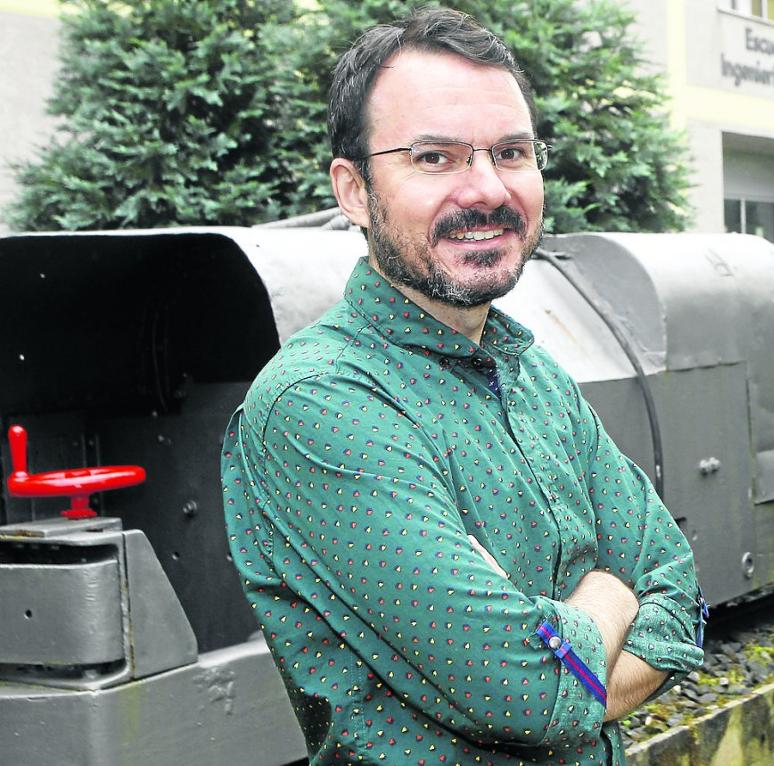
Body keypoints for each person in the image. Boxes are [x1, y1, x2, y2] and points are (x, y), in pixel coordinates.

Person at [221, 6, 705, 765]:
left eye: (511, 152)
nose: (485, 190)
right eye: (435, 158)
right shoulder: (319, 404)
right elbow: (530, 698)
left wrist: (563, 640)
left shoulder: (534, 375)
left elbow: (679, 598)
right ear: (353, 191)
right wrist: (612, 593)